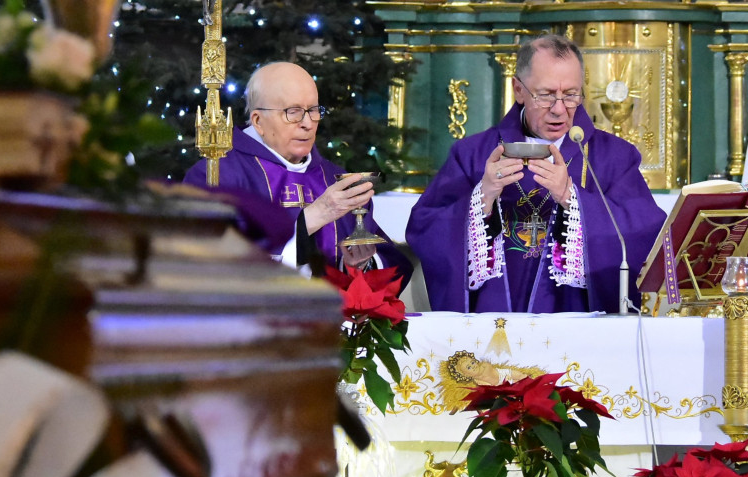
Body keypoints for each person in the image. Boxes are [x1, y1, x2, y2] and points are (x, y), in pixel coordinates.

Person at [406, 34, 664, 313]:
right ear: (518, 89)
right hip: (493, 324)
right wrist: (482, 199)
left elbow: (646, 231)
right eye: (546, 95)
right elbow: (425, 228)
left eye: (571, 95)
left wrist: (573, 199)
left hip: (580, 323)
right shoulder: (473, 154)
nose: (559, 110)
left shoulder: (614, 156)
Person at [184, 62, 411, 283]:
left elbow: (391, 265)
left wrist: (357, 266)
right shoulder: (217, 177)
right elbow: (209, 270)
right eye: (293, 112)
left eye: (313, 111)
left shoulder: (335, 180)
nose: (307, 124)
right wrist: (309, 221)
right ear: (258, 121)